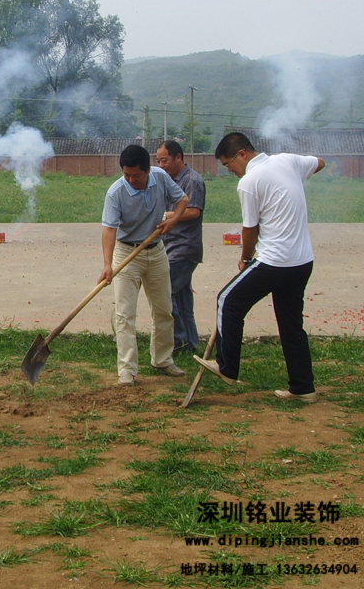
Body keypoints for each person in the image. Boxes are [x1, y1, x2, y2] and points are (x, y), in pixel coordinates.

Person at [195, 132, 325, 402]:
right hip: (302, 261)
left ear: (242, 154)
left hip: (274, 260)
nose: (230, 171)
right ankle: (303, 388)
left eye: (228, 164)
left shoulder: (250, 182)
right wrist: (294, 180)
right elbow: (319, 162)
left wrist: (245, 257)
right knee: (291, 325)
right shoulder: (288, 161)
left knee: (227, 301)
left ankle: (227, 367)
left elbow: (250, 229)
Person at [100, 145, 190, 385]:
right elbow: (109, 230)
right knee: (125, 313)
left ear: (148, 170)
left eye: (136, 175)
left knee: (163, 309)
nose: (131, 180)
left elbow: (183, 200)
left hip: (157, 251)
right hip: (126, 253)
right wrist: (108, 265)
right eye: (126, 174)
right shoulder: (116, 192)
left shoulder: (160, 178)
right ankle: (127, 370)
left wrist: (173, 222)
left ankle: (162, 359)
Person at [155, 140, 205, 352]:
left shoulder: (192, 180)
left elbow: (193, 211)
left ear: (178, 157)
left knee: (168, 293)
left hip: (184, 248)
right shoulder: (167, 181)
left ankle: (178, 341)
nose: (161, 165)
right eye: (158, 161)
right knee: (182, 298)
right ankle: (190, 342)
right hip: (169, 246)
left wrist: (166, 215)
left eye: (164, 160)